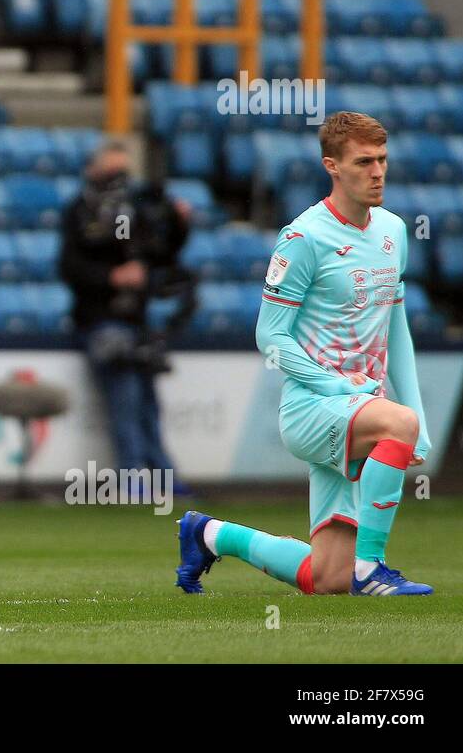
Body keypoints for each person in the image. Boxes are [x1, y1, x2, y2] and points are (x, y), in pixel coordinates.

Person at [177, 111, 431, 596]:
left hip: (360, 409)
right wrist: (341, 388)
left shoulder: (394, 231)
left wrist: (416, 413)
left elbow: (395, 327)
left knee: (326, 578)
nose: (377, 172)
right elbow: (270, 337)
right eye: (363, 162)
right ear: (331, 166)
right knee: (396, 427)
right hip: (313, 408)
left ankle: (209, 534)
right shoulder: (303, 237)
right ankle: (371, 568)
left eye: (382, 160)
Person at [59, 139, 192, 479]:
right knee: (126, 395)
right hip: (101, 319)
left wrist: (179, 225)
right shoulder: (80, 211)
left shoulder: (133, 211)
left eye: (124, 173)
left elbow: (162, 254)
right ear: (94, 170)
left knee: (147, 400)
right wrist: (112, 277)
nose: (119, 181)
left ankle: (162, 474)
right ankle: (134, 473)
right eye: (112, 172)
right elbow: (69, 267)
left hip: (136, 321)